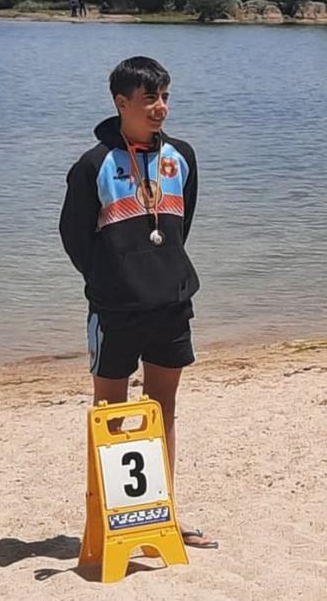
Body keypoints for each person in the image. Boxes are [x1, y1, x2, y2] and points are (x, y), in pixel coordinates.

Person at [59, 56, 215, 548]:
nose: (160, 108)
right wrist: (113, 281)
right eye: (149, 99)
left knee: (163, 408)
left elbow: (180, 227)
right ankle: (112, 520)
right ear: (121, 103)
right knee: (111, 411)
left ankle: (162, 512)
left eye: (165, 96)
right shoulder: (92, 165)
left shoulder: (182, 156)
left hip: (171, 302)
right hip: (116, 309)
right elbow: (75, 239)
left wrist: (161, 272)